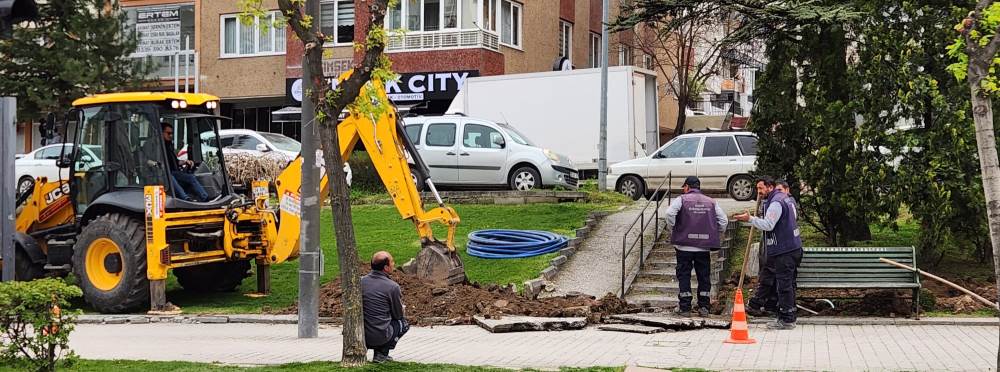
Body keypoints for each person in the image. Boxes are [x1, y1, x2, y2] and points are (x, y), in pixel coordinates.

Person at [734, 176, 803, 330]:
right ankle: (788, 315)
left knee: (784, 285)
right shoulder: (785, 198)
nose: (758, 192)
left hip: (784, 250)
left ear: (770, 187)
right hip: (792, 247)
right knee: (787, 284)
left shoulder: (776, 203)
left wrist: (750, 218)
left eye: (760, 188)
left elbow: (768, 225)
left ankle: (787, 320)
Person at [665, 176, 728, 317]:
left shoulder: (681, 199)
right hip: (703, 248)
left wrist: (673, 228)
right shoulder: (711, 202)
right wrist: (715, 233)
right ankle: (704, 307)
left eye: (684, 187)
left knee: (684, 276)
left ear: (687, 187)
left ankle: (685, 307)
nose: (683, 189)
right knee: (704, 277)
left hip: (683, 247)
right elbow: (723, 220)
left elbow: (669, 214)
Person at [362, 251, 409, 363]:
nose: (394, 264)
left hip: (362, 334)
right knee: (403, 323)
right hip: (380, 336)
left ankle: (379, 352)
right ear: (386, 268)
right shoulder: (392, 287)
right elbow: (397, 315)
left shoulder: (360, 282)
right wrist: (402, 309)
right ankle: (382, 352)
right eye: (392, 262)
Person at [157, 122, 209, 202]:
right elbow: (150, 161)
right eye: (168, 133)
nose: (171, 136)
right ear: (161, 132)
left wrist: (185, 162)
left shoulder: (169, 146)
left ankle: (205, 197)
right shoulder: (156, 146)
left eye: (171, 133)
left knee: (191, 177)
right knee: (170, 177)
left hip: (173, 172)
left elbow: (175, 162)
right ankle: (185, 198)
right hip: (160, 175)